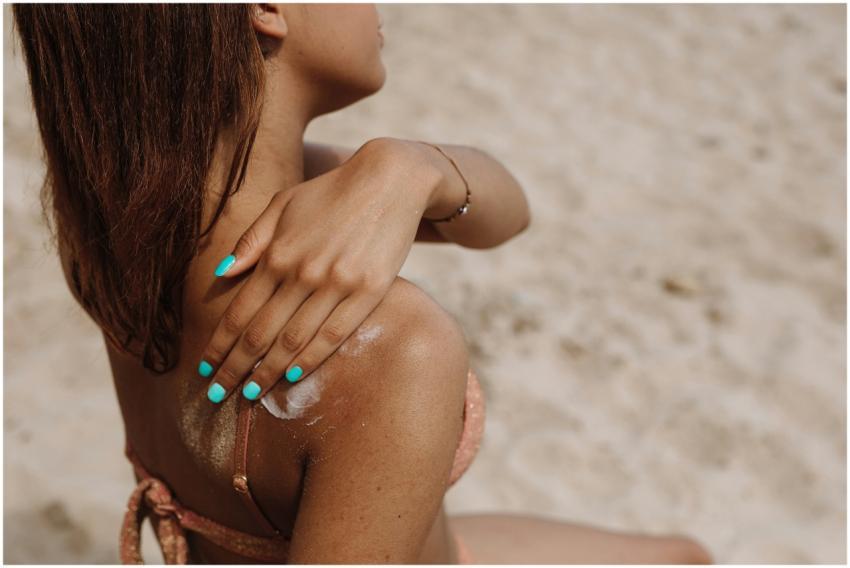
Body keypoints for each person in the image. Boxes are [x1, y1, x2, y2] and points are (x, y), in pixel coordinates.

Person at [13, 3, 711, 564]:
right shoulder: (389, 347)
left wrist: (411, 167)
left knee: (681, 555)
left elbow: (506, 215)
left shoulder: (110, 233)